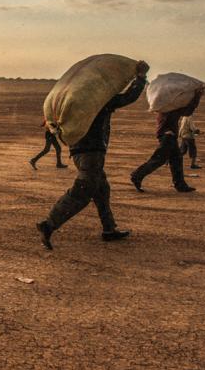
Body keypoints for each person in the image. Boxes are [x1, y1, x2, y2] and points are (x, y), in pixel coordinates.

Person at [37, 61, 148, 250]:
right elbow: (127, 98)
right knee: (83, 190)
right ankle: (49, 224)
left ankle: (109, 229)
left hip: (78, 150)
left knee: (102, 190)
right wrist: (140, 78)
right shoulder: (98, 102)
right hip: (92, 152)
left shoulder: (80, 103)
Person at [130, 86, 205, 193]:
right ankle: (137, 175)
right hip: (167, 136)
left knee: (176, 159)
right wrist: (197, 96)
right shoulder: (169, 107)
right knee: (159, 159)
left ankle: (180, 185)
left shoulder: (166, 106)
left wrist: (197, 97)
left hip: (170, 135)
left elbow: (186, 111)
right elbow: (187, 111)